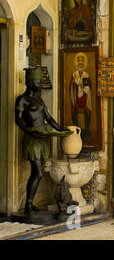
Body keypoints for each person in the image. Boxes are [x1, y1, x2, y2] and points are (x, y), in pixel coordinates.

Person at [15, 67, 67, 214]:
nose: (40, 84)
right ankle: (27, 205)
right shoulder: (22, 100)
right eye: (38, 82)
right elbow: (18, 119)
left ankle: (30, 204)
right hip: (32, 138)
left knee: (38, 172)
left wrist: (60, 129)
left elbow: (48, 118)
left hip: (42, 138)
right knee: (37, 172)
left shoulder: (39, 99)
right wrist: (28, 131)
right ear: (30, 82)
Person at [70, 52, 92, 140]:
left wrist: (85, 88)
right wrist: (74, 85)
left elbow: (89, 87)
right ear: (77, 63)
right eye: (79, 62)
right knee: (76, 116)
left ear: (84, 63)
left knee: (86, 115)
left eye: (82, 62)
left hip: (85, 98)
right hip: (76, 99)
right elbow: (71, 87)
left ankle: (86, 132)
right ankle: (76, 134)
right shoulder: (74, 75)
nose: (80, 64)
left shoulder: (86, 75)